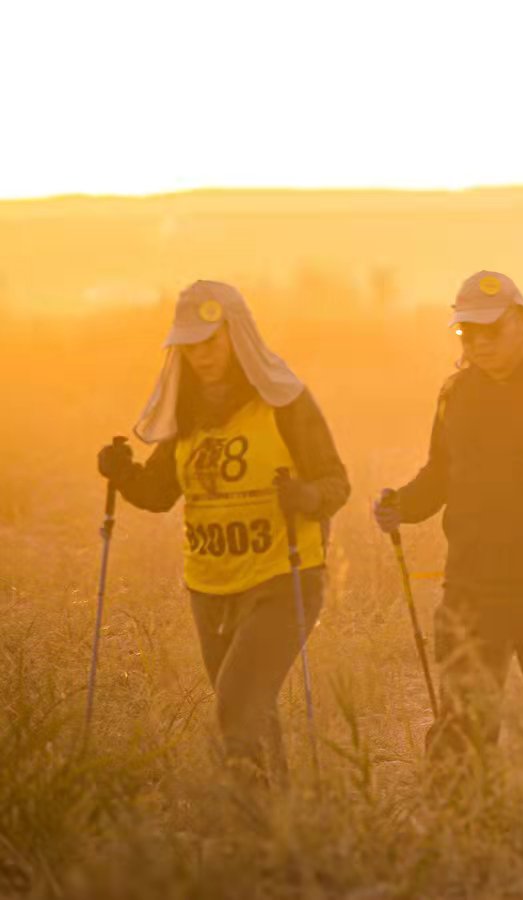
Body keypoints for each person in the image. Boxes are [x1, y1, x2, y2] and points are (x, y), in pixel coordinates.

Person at [97, 281, 350, 778]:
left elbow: (336, 483)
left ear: (238, 336)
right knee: (252, 706)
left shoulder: (285, 402)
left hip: (284, 579)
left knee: (236, 701)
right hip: (210, 587)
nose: (200, 355)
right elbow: (159, 493)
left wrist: (307, 496)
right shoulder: (187, 412)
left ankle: (248, 819)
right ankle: (275, 826)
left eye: (209, 342)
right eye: (188, 346)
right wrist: (122, 472)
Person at [372, 271, 523, 759]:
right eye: (468, 331)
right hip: (473, 583)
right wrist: (401, 505)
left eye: (491, 329)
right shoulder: (456, 394)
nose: (479, 341)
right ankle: (461, 825)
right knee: (461, 726)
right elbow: (440, 473)